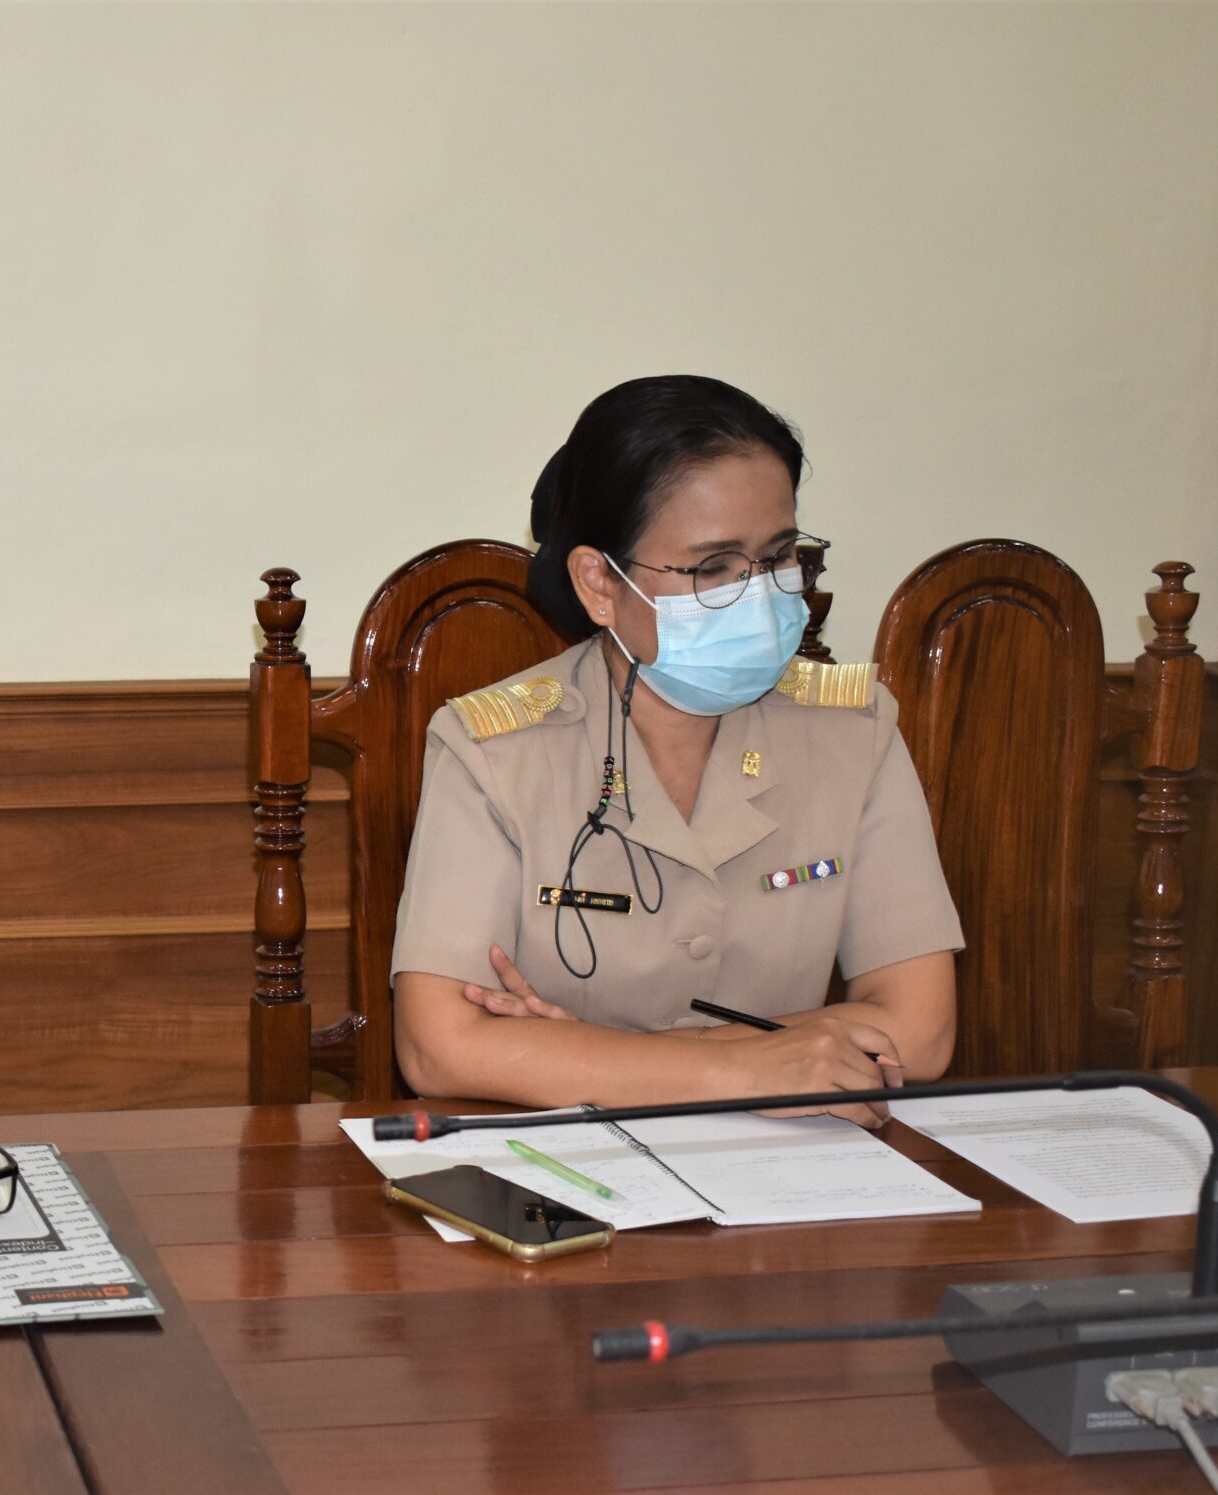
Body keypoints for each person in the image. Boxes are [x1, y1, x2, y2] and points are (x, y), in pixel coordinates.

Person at [390, 375, 959, 1127]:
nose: (759, 594)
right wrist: (746, 1068)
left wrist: (585, 1055)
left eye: (778, 556)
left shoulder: (854, 731)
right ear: (599, 581)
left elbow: (922, 1031)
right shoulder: (492, 750)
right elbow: (436, 1047)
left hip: (793, 1168)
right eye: (713, 567)